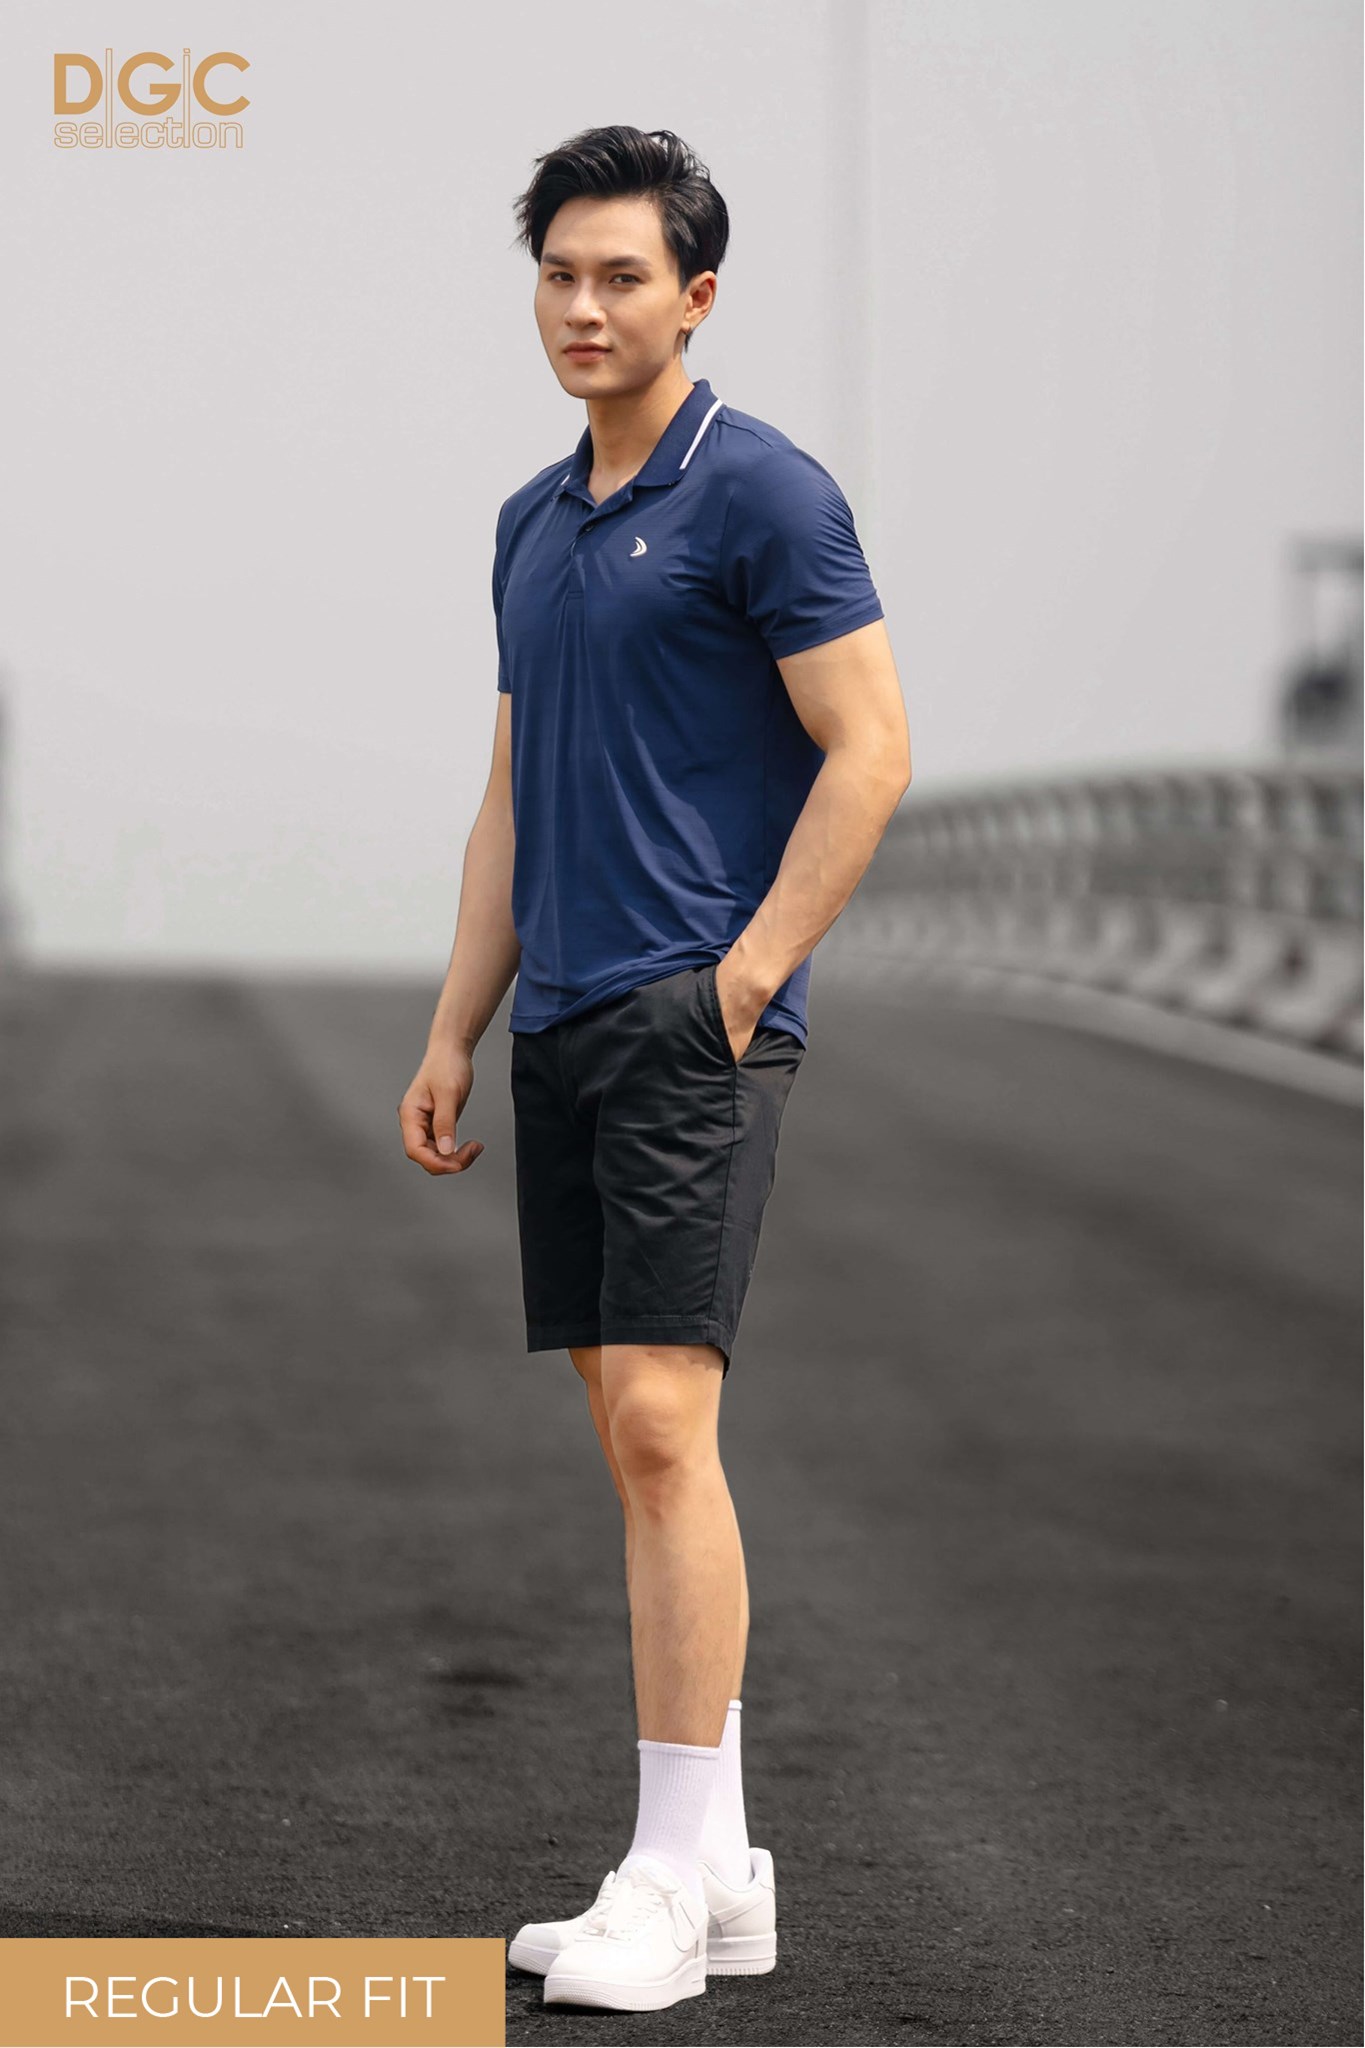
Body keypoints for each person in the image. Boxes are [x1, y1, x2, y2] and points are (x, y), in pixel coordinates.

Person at [398, 124, 912, 2016]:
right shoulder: (531, 522)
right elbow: (511, 797)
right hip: (557, 1020)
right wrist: (456, 1024)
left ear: (695, 297)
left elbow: (870, 746)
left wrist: (748, 976)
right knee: (627, 1434)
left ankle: (663, 1880)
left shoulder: (762, 492)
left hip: (692, 1018)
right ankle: (723, 1870)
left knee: (660, 1431)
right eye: (559, 274)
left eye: (622, 277)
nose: (584, 307)